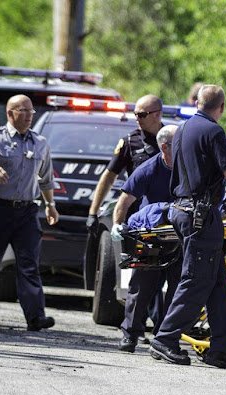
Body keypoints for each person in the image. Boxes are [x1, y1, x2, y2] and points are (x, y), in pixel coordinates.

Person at [149, 84, 226, 369]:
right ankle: (165, 338)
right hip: (200, 216)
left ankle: (220, 348)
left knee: (219, 286)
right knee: (196, 280)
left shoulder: (182, 129)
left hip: (184, 209)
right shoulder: (213, 131)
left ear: (197, 103)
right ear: (222, 107)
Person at [0, 94, 59, 331]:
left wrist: (50, 205)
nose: (29, 115)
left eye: (31, 111)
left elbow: (46, 179)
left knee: (29, 265)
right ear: (10, 113)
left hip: (27, 212)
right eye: (23, 111)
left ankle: (35, 317)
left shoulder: (40, 143)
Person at [86, 94, 164, 333]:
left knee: (160, 271)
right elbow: (109, 176)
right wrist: (93, 211)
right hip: (137, 219)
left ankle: (159, 326)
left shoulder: (172, 139)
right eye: (135, 114)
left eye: (142, 114)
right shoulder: (130, 142)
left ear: (157, 115)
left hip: (165, 218)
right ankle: (137, 324)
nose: (137, 118)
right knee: (139, 272)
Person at [110, 125, 181, 353]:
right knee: (141, 288)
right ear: (165, 147)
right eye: (178, 143)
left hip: (179, 236)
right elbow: (124, 201)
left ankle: (164, 337)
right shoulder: (149, 169)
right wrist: (118, 225)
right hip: (151, 236)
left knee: (177, 288)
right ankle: (130, 334)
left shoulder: (188, 167)